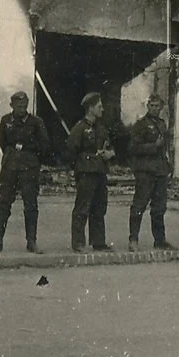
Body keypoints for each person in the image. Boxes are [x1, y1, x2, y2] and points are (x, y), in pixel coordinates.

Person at [0, 91, 51, 254]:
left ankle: (32, 242)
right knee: (3, 204)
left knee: (31, 205)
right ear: (11, 105)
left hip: (29, 169)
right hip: (9, 168)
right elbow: (3, 142)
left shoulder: (36, 122)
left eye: (25, 106)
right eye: (19, 106)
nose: (22, 109)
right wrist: (12, 155)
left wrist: (31, 158)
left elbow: (45, 145)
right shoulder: (6, 121)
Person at [67, 92, 116, 253]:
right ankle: (79, 243)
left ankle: (98, 242)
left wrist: (110, 154)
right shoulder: (80, 128)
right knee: (83, 207)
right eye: (99, 107)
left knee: (99, 207)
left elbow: (108, 146)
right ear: (90, 108)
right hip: (86, 172)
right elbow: (70, 150)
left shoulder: (101, 128)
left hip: (100, 171)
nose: (102, 109)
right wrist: (80, 165)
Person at [129, 94, 176, 251]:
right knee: (139, 205)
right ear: (148, 106)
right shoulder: (141, 125)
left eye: (158, 106)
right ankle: (133, 239)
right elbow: (133, 148)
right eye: (152, 105)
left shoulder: (162, 124)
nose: (155, 109)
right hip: (145, 171)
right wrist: (153, 146)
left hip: (160, 171)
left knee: (159, 207)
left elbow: (165, 148)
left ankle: (159, 240)